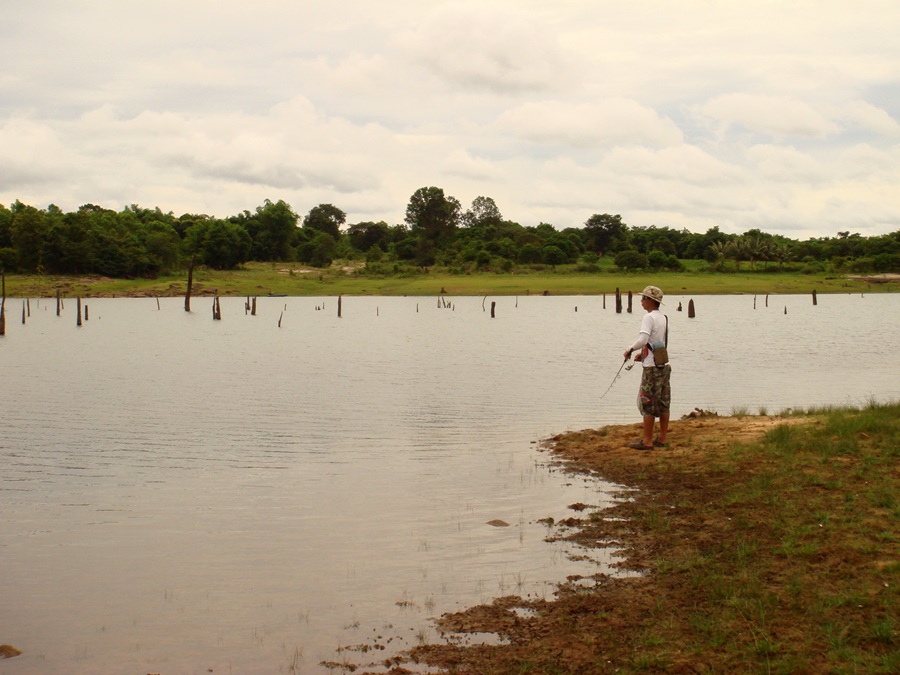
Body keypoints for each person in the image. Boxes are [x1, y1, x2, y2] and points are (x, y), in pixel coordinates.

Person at [622, 285, 671, 450]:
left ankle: (647, 441)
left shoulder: (648, 318)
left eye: (643, 298)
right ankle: (662, 439)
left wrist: (629, 350)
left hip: (651, 368)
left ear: (651, 300)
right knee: (664, 403)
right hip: (663, 365)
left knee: (647, 402)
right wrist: (643, 354)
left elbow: (643, 340)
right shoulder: (663, 317)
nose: (641, 301)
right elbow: (659, 343)